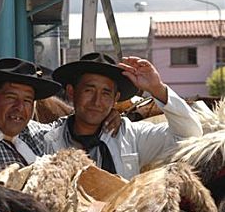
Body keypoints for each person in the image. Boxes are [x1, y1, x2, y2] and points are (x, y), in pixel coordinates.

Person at [48, 53, 203, 179]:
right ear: (71, 92)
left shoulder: (131, 135)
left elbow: (189, 135)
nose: (96, 101)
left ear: (116, 98)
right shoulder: (49, 139)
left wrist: (157, 88)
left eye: (106, 93)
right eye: (89, 90)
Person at [0, 58, 122, 179]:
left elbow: (77, 123)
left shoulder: (38, 134)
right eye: (11, 97)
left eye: (27, 100)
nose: (19, 107)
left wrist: (105, 114)